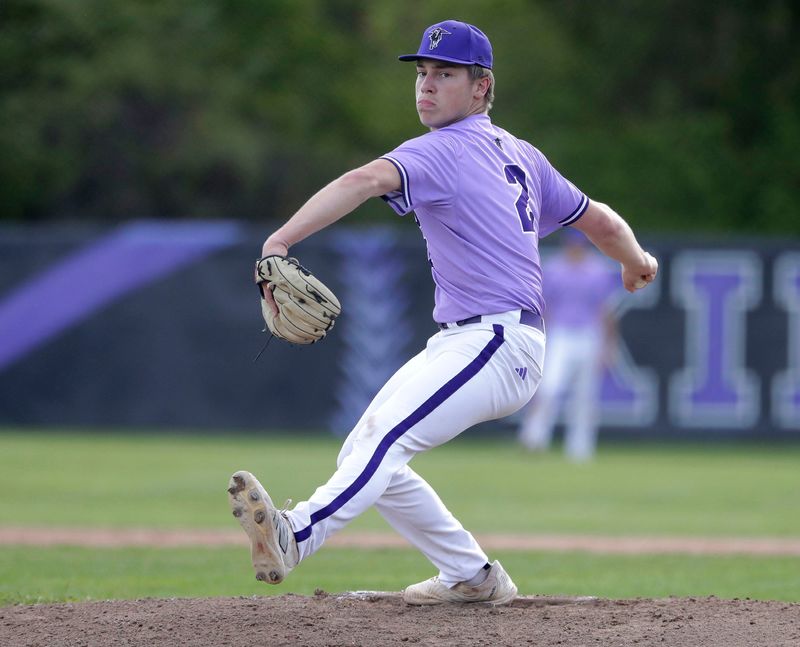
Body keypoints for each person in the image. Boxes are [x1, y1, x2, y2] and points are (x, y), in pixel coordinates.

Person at [228, 19, 658, 606]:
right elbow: (601, 220)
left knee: (382, 443)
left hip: (496, 341)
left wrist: (278, 242)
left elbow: (364, 179)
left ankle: (295, 533)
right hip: (477, 342)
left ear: (481, 87)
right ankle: (470, 575)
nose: (426, 85)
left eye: (445, 74)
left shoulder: (442, 150)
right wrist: (636, 261)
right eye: (423, 73)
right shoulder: (522, 155)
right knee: (367, 451)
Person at [517, 228, 620, 461]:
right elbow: (545, 308)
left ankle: (580, 448)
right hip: (561, 334)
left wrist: (609, 346)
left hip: (589, 334)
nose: (575, 248)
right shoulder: (554, 269)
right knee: (550, 387)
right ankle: (533, 438)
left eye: (579, 244)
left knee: (585, 395)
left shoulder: (598, 271)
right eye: (572, 244)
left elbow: (607, 311)